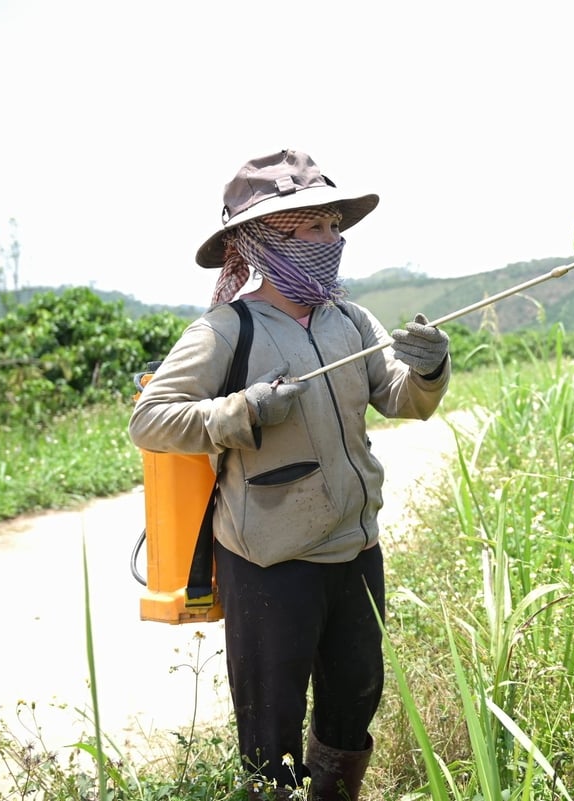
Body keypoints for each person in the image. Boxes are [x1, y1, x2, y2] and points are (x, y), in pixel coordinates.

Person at [128, 149, 451, 800]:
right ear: (262, 241)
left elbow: (402, 398)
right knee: (269, 728)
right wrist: (241, 410)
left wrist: (429, 368)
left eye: (332, 226)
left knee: (354, 702)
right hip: (271, 564)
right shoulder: (226, 331)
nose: (329, 241)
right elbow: (150, 420)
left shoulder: (350, 319)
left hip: (356, 552)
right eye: (309, 229)